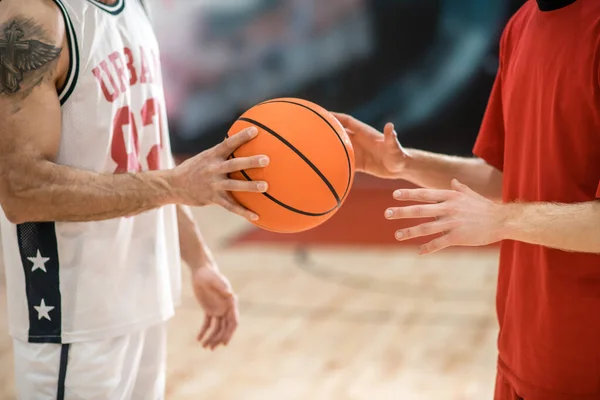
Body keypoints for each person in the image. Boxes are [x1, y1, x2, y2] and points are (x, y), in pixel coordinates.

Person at [0, 0, 269, 398]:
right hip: (74, 324)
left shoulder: (134, 7)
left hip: (144, 304)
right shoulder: (33, 19)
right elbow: (21, 190)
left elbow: (147, 155)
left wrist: (198, 259)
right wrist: (175, 185)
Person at [334, 0, 600, 399]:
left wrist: (502, 221)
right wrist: (403, 163)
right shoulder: (521, 26)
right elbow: (507, 180)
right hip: (520, 359)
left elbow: (509, 208)